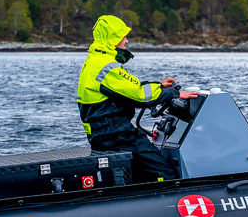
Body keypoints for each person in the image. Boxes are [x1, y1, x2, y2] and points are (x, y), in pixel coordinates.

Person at [77, 14, 197, 182]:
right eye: (122, 36)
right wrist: (174, 93)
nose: (126, 41)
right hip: (118, 137)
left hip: (104, 136)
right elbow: (141, 96)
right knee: (165, 173)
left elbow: (130, 89)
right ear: (112, 39)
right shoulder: (106, 67)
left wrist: (160, 86)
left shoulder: (95, 61)